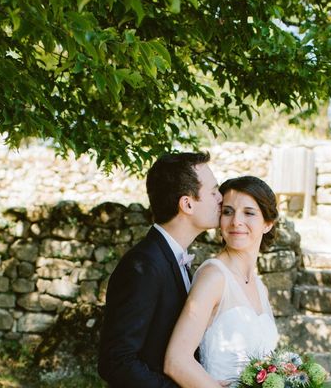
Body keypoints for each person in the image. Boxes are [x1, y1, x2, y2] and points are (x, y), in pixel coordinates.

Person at [98, 152, 222, 388]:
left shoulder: (174, 259)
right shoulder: (142, 266)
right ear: (187, 204)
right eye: (213, 191)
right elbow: (116, 361)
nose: (220, 198)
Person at [164, 175, 279, 387]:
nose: (236, 221)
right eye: (227, 212)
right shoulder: (214, 277)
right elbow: (176, 361)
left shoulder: (260, 286)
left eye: (249, 213)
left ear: (268, 224)